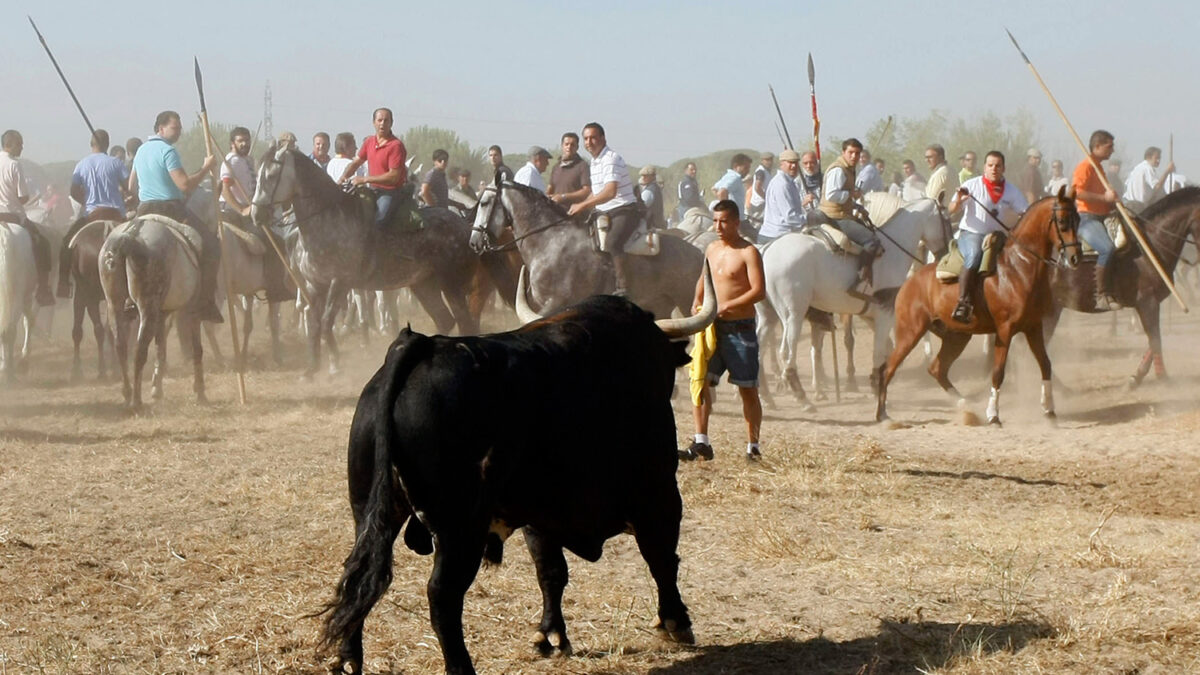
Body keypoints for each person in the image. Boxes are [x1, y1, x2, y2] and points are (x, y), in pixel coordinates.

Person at [679, 199, 765, 462]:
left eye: (724, 221)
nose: (718, 226)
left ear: (736, 223)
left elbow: (758, 291)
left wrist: (726, 305)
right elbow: (704, 279)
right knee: (700, 382)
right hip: (711, 328)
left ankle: (753, 446)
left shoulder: (748, 252)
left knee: (747, 390)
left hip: (740, 329)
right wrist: (697, 301)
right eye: (715, 221)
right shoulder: (712, 248)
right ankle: (701, 442)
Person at [128, 111, 222, 321]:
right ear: (160, 128)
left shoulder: (141, 150)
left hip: (143, 210)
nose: (178, 132)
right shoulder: (168, 151)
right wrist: (206, 168)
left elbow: (131, 186)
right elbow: (185, 185)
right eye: (175, 128)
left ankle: (129, 297)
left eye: (179, 128)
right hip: (169, 208)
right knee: (212, 246)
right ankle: (206, 302)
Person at [947, 150, 1029, 323]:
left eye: (998, 165)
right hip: (972, 233)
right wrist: (959, 201)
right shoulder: (971, 185)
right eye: (990, 165)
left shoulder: (1012, 191)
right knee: (975, 255)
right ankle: (962, 302)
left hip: (999, 236)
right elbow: (951, 209)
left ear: (1003, 168)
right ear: (984, 167)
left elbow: (1025, 213)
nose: (994, 169)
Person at [567, 122, 637, 295]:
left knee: (612, 242)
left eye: (593, 138)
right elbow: (597, 193)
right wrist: (578, 208)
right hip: (604, 210)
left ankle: (623, 288)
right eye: (586, 139)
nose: (589, 142)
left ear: (603, 138)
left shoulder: (611, 158)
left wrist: (583, 204)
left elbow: (610, 192)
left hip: (624, 209)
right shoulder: (594, 161)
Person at [59, 129, 129, 297]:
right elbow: (129, 187)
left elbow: (74, 191)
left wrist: (87, 201)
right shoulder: (116, 163)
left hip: (92, 214)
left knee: (66, 244)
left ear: (91, 145)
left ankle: (63, 284)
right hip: (117, 215)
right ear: (107, 144)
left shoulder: (81, 164)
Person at [818, 138, 881, 297]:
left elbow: (844, 198)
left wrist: (856, 206)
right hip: (835, 216)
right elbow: (831, 195)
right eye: (851, 152)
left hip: (842, 212)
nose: (854, 156)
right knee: (872, 241)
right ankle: (860, 280)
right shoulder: (839, 170)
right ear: (843, 152)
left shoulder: (849, 169)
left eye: (857, 153)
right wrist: (851, 194)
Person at [0, 131, 55, 306]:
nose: (22, 147)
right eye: (20, 144)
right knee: (43, 244)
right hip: (13, 216)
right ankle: (43, 289)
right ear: (11, 143)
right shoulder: (14, 165)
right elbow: (22, 198)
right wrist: (27, 197)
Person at [1073, 130, 1120, 308]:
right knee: (1107, 248)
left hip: (1103, 216)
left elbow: (1104, 196)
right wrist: (1104, 199)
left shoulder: (1098, 167)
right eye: (1110, 146)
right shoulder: (1085, 166)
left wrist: (1112, 203)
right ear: (1097, 146)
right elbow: (1077, 192)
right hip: (1086, 218)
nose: (1113, 150)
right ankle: (1101, 295)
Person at [336, 108, 407, 226]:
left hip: (390, 192)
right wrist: (343, 177)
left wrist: (364, 179)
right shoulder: (369, 142)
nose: (382, 124)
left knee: (378, 221)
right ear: (374, 122)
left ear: (391, 123)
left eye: (386, 121)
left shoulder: (396, 146)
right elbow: (356, 163)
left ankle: (381, 244)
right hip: (373, 190)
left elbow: (393, 176)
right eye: (379, 120)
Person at [757, 148, 808, 245]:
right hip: (776, 237)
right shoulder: (782, 184)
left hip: (777, 235)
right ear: (781, 164)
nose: (793, 166)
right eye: (790, 162)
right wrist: (809, 218)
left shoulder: (789, 182)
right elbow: (790, 217)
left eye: (796, 163)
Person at [218, 126, 255, 227]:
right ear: (232, 143)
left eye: (247, 140)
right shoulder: (232, 161)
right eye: (240, 141)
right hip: (232, 209)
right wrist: (241, 210)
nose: (244, 144)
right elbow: (224, 190)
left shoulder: (246, 160)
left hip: (248, 207)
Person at [1124, 146, 1176, 211]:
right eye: (1156, 158)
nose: (1158, 161)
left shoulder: (1137, 168)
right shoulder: (1147, 168)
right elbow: (1157, 186)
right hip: (1136, 206)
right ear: (1149, 157)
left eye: (1159, 158)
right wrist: (1167, 171)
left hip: (1129, 204)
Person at [547, 132, 590, 207]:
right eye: (566, 144)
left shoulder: (583, 166)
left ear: (577, 147)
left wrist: (563, 197)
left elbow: (586, 191)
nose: (569, 147)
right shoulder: (556, 167)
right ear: (562, 146)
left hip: (575, 214)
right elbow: (550, 187)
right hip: (556, 213)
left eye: (572, 145)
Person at [714, 153, 751, 218]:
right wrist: (727, 213)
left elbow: (714, 189)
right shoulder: (735, 178)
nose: (748, 171)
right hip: (736, 221)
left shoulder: (728, 176)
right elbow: (721, 193)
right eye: (746, 168)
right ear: (736, 166)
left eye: (748, 168)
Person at [747, 152, 774, 223]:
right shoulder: (761, 171)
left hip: (762, 203)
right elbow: (757, 187)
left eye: (770, 160)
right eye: (767, 160)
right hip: (760, 204)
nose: (769, 162)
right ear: (762, 161)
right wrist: (766, 197)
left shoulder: (766, 171)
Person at [637, 165, 666, 230]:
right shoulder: (656, 188)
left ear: (653, 176)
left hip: (651, 226)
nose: (643, 178)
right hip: (659, 224)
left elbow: (640, 209)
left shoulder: (648, 192)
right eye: (642, 176)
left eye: (646, 176)